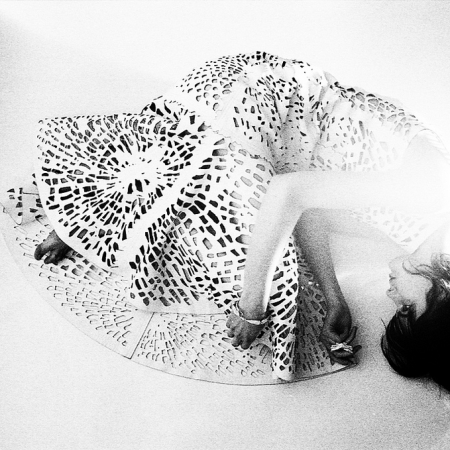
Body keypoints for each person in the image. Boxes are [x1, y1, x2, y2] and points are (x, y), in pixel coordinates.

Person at [31, 51, 450, 382]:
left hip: (274, 140)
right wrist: (252, 307)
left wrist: (333, 298)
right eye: (407, 309)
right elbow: (287, 193)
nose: (392, 298)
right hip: (253, 97)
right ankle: (87, 209)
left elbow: (312, 211)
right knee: (248, 254)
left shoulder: (421, 233)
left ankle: (94, 215)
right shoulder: (431, 193)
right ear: (445, 292)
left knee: (245, 243)